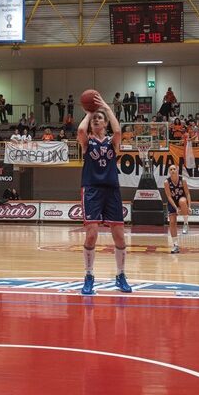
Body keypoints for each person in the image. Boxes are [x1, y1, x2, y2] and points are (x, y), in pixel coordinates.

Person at [77, 91, 131, 295]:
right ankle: (89, 275)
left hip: (111, 190)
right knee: (91, 234)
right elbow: (81, 129)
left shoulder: (112, 142)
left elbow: (118, 130)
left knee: (120, 237)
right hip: (91, 189)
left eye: (100, 118)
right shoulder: (87, 142)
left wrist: (106, 108)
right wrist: (90, 112)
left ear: (106, 123)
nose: (96, 120)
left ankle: (121, 275)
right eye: (94, 119)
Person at [162, 164, 190, 253]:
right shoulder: (166, 182)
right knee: (172, 223)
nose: (172, 170)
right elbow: (169, 197)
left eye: (174, 169)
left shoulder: (183, 180)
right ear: (169, 172)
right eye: (171, 169)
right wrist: (175, 208)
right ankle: (175, 245)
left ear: (177, 170)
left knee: (182, 201)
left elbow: (187, 193)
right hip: (172, 202)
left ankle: (186, 224)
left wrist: (189, 206)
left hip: (181, 199)